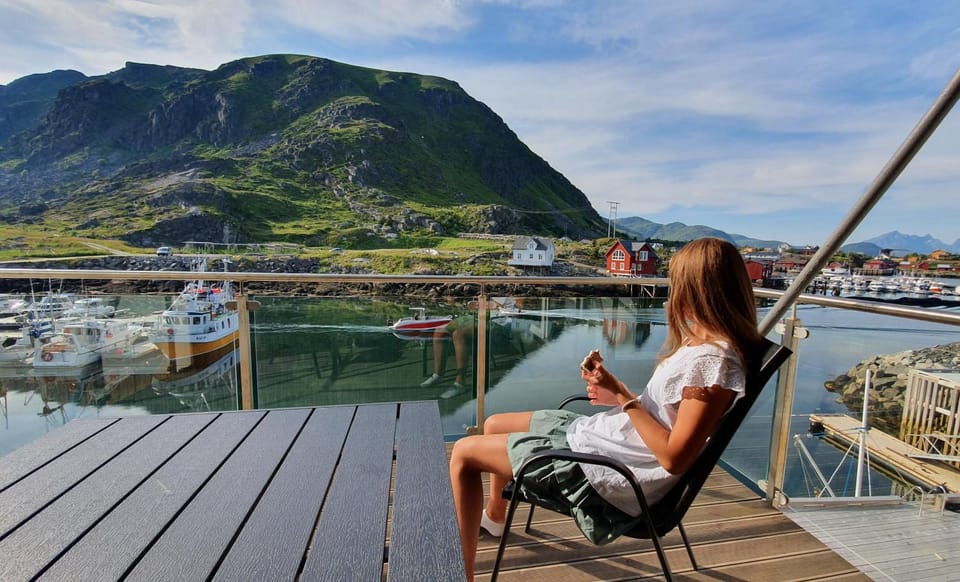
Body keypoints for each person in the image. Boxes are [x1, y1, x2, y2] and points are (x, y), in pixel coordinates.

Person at [448, 238, 763, 580]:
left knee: (464, 453)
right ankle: (495, 516)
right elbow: (667, 413)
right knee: (494, 423)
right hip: (609, 442)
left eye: (676, 280)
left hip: (611, 473)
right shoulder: (701, 345)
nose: (672, 289)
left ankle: (460, 575)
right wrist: (617, 393)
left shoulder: (713, 362)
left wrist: (622, 396)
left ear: (697, 288)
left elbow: (674, 458)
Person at [420, 314, 474, 397]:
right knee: (440, 331)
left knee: (459, 334)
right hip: (467, 316)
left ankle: (460, 383)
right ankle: (438, 375)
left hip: (486, 317)